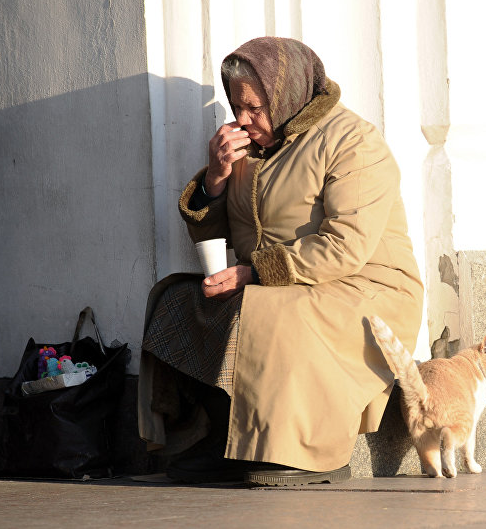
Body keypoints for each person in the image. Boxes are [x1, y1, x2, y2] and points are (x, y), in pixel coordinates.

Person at [137, 36, 424, 486]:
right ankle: (219, 438)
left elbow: (347, 245)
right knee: (178, 300)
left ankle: (305, 448)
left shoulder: (353, 141)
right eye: (237, 108)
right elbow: (221, 233)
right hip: (283, 282)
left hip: (366, 286)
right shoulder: (249, 150)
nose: (244, 121)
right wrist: (215, 179)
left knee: (268, 311)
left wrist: (255, 275)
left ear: (287, 94)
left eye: (255, 108)